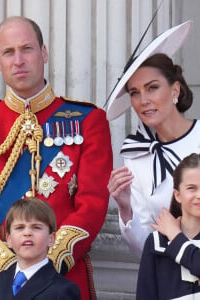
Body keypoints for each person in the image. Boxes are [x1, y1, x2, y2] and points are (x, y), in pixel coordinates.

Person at [0, 16, 112, 300]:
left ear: (44, 53)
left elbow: (93, 203)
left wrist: (46, 260)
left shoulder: (88, 120)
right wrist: (7, 264)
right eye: (9, 52)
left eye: (27, 49)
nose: (18, 60)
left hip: (60, 277)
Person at [106, 21, 198, 258]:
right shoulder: (136, 157)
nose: (142, 100)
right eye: (134, 92)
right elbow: (142, 248)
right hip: (170, 280)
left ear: (175, 90)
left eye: (152, 88)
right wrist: (125, 209)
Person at [0, 197, 81, 299]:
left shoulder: (64, 290)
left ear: (51, 238)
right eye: (20, 228)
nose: (27, 233)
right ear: (9, 239)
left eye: (36, 227)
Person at [136, 153, 200, 299]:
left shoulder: (172, 238)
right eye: (191, 188)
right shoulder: (156, 242)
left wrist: (176, 237)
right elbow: (146, 294)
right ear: (177, 195)